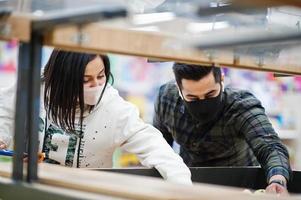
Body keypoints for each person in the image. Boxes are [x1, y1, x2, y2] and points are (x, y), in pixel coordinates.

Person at [0, 49, 192, 185]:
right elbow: (4, 114)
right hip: (34, 190)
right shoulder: (34, 87)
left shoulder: (115, 110)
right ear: (62, 79)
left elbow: (157, 150)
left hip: (87, 193)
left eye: (101, 76)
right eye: (85, 80)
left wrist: (183, 188)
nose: (96, 85)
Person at [153, 63, 292, 193]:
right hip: (190, 185)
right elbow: (159, 148)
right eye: (192, 98)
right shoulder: (167, 100)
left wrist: (277, 181)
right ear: (178, 88)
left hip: (238, 188)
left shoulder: (240, 106)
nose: (203, 106)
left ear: (222, 80)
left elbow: (270, 146)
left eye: (211, 94)